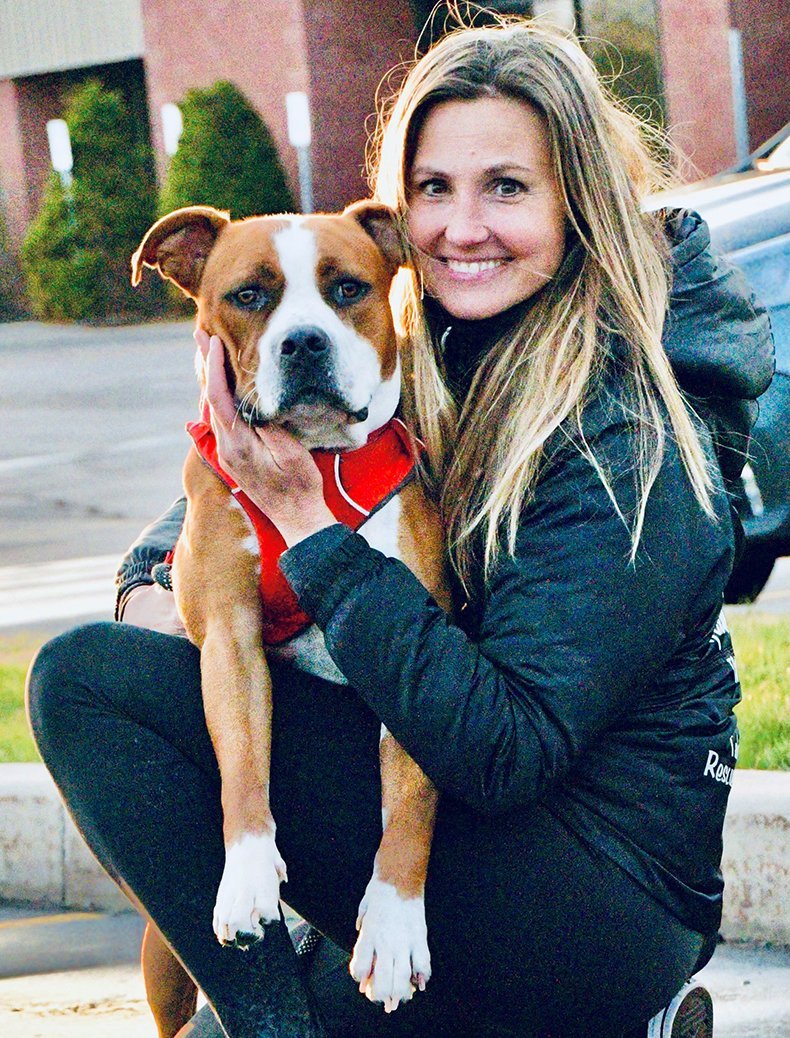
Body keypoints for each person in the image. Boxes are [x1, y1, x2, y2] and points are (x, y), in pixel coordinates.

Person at [27, 16, 773, 1038]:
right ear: (396, 214)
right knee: (96, 676)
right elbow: (197, 523)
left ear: (579, 199)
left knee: (88, 683)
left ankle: (608, 1016)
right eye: (434, 190)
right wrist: (172, 582)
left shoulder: (633, 426)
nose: (462, 226)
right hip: (461, 835)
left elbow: (505, 748)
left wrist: (308, 527)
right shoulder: (408, 351)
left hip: (593, 881)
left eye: (505, 187)